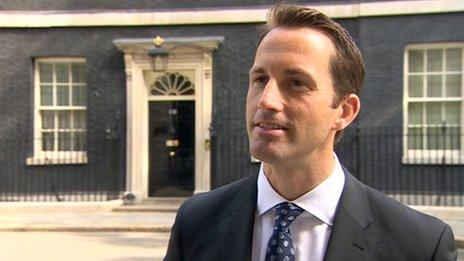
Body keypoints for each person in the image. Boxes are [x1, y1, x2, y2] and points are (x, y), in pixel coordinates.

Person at [164, 4, 457, 261]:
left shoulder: (421, 245)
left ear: (344, 111)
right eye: (260, 78)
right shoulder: (195, 223)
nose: (266, 100)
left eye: (296, 83)